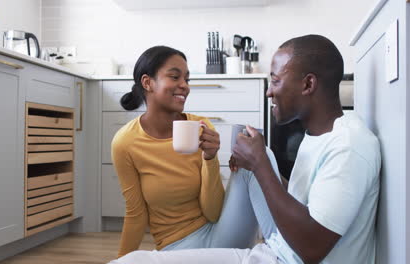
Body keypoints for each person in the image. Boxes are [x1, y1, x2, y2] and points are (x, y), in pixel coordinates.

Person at [109, 35, 381, 264]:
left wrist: (245, 162)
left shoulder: (348, 146)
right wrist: (258, 162)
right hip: (275, 249)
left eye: (274, 81)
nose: (268, 92)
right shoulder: (322, 136)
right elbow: (307, 204)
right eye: (175, 76)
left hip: (280, 254)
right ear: (147, 83)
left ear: (308, 84)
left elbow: (311, 249)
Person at [111, 45, 281, 258]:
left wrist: (209, 158)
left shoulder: (200, 127)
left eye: (187, 79)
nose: (184, 86)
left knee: (260, 155)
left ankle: (284, 251)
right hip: (178, 248)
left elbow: (213, 212)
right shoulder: (125, 142)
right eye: (174, 77)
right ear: (148, 82)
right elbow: (135, 214)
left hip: (220, 234)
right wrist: (121, 260)